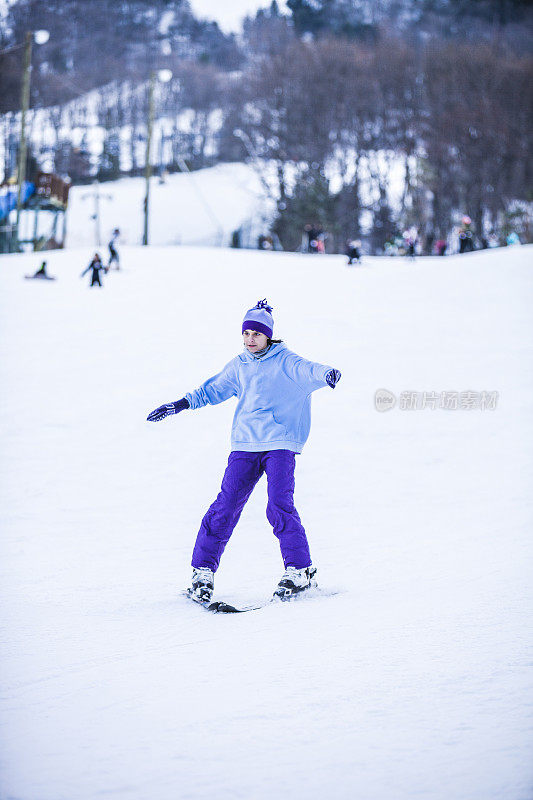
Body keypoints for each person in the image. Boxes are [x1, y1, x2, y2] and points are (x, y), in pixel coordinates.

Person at [147, 299, 341, 603]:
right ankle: (202, 572)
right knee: (225, 506)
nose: (250, 339)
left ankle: (299, 570)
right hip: (245, 444)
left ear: (269, 335)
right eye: (246, 333)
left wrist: (327, 373)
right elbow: (211, 390)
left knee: (278, 504)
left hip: (279, 443)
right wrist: (179, 404)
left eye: (256, 334)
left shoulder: (285, 360)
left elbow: (308, 370)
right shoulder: (239, 365)